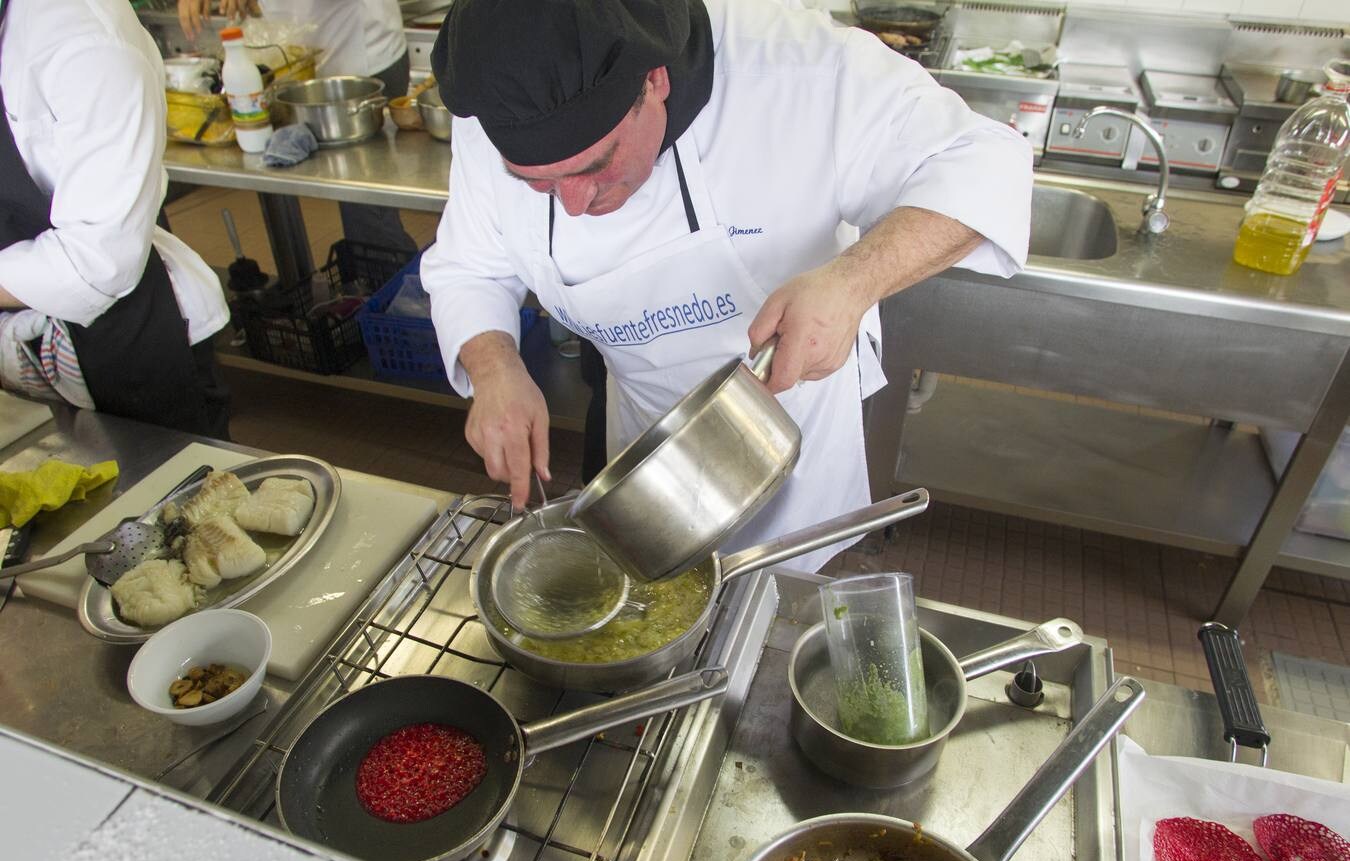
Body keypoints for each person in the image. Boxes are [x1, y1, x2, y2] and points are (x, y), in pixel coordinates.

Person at [422, 0, 1033, 572]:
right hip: (644, 438)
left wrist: (854, 281)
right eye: (539, 183)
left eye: (595, 166)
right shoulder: (494, 101)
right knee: (648, 576)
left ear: (653, 81)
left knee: (781, 613)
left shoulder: (797, 68)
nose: (575, 206)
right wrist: (494, 368)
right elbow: (469, 265)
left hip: (791, 431)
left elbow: (987, 163)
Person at [0, 0, 232, 439]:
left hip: (128, 342)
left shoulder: (89, 38)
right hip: (23, 347)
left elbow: (96, 262)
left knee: (173, 494)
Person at [178, 0, 417, 255]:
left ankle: (397, 285)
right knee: (276, 168)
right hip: (294, 64)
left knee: (366, 211)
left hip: (360, 60)